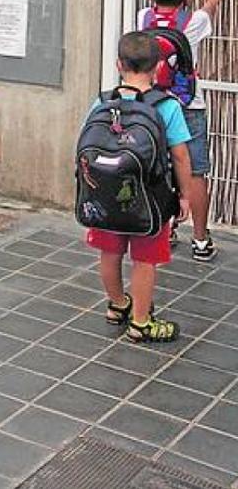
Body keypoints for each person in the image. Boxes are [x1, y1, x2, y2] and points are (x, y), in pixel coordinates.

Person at [85, 31, 192, 343]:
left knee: (109, 252)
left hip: (105, 195)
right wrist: (184, 195)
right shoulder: (167, 106)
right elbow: (181, 156)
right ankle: (141, 322)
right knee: (145, 260)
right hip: (151, 199)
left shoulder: (103, 101)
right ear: (158, 67)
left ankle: (118, 305)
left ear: (119, 64)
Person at [139, 0, 223, 262]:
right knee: (196, 171)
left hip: (153, 106)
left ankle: (164, 230)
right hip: (189, 107)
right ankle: (200, 240)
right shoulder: (195, 21)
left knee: (158, 169)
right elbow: (209, 8)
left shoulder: (143, 18)